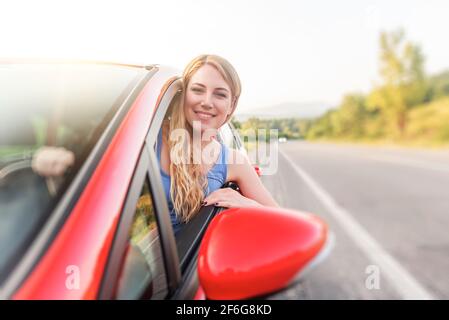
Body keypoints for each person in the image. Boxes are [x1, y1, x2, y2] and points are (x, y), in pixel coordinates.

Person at [156, 54, 278, 233]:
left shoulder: (233, 161)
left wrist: (247, 204)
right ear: (184, 94)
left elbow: (280, 220)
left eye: (220, 94)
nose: (206, 102)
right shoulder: (148, 137)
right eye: (197, 90)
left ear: (231, 105)